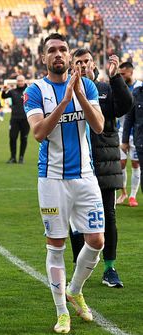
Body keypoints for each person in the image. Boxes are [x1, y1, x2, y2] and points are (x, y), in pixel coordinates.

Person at [24, 33, 105, 334]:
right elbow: (38, 133)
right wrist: (64, 102)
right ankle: (62, 312)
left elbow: (98, 126)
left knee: (96, 241)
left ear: (70, 56)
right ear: (43, 58)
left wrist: (79, 93)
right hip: (52, 179)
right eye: (51, 51)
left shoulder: (89, 85)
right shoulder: (35, 91)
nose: (57, 54)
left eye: (62, 50)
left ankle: (74, 289)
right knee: (56, 246)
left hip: (85, 176)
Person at [68, 50, 133, 289]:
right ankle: (78, 264)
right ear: (72, 66)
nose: (83, 65)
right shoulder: (67, 90)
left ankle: (109, 268)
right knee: (75, 218)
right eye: (78, 62)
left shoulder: (105, 89)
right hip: (77, 164)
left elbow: (125, 105)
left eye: (86, 61)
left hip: (104, 165)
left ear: (93, 64)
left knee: (108, 216)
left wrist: (115, 77)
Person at [116, 62, 142, 206]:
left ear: (130, 73)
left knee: (136, 164)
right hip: (121, 130)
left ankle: (132, 196)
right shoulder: (120, 87)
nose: (120, 76)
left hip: (137, 132)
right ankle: (123, 193)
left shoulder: (139, 88)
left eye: (123, 74)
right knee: (121, 163)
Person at [1, 75, 29, 164]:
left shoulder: (29, 91)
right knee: (13, 138)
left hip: (25, 119)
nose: (20, 82)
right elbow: (4, 96)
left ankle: (21, 157)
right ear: (16, 82)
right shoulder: (13, 91)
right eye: (18, 81)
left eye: (21, 80)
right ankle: (13, 157)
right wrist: (4, 90)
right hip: (14, 118)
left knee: (24, 138)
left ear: (24, 81)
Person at [122, 81, 143, 194]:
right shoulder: (136, 93)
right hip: (140, 141)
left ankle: (132, 195)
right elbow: (129, 118)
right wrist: (125, 140)